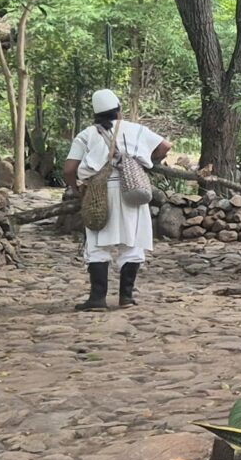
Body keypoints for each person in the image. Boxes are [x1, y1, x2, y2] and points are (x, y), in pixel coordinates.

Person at [63, 89, 169, 311]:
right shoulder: (135, 129)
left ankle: (97, 299)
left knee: (97, 243)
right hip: (131, 189)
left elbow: (69, 169)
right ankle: (126, 297)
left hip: (98, 191)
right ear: (119, 110)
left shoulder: (86, 134)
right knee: (131, 243)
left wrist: (77, 189)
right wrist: (146, 162)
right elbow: (164, 146)